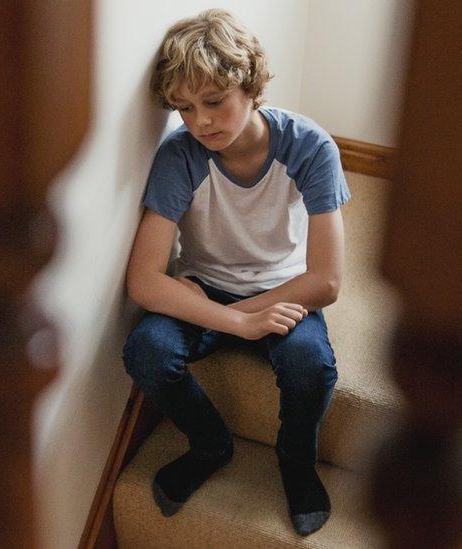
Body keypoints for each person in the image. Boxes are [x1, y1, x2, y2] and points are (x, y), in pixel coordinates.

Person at [121, 8, 350, 537]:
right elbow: (144, 280)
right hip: (205, 285)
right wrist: (233, 320)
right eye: (184, 108)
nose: (201, 121)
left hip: (284, 287)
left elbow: (327, 281)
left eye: (214, 101)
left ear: (250, 85)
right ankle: (210, 443)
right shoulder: (181, 156)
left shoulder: (310, 146)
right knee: (145, 351)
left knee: (309, 366)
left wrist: (233, 317)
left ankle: (295, 460)